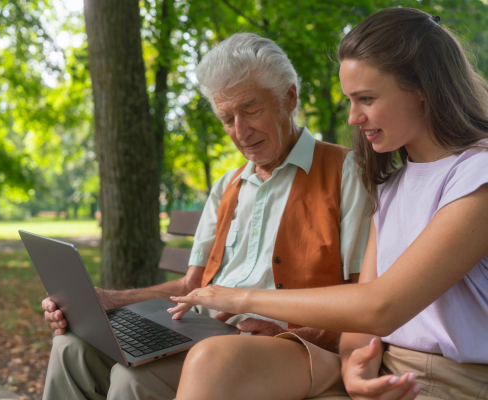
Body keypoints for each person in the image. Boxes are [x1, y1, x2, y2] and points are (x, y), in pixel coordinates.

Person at [168, 7, 488, 400]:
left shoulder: (477, 176)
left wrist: (234, 296)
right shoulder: (391, 185)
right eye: (350, 101)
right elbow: (362, 321)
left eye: (366, 98)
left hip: (452, 379)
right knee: (212, 358)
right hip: (379, 365)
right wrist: (356, 365)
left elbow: (380, 306)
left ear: (422, 89)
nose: (353, 117)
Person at [40, 32, 371, 400]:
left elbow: (362, 298)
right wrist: (110, 301)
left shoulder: (345, 172)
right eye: (227, 118)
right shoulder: (227, 186)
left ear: (288, 98)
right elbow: (189, 288)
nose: (240, 132)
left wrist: (292, 332)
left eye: (250, 109)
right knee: (71, 347)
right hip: (200, 330)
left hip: (275, 345)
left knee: (134, 380)